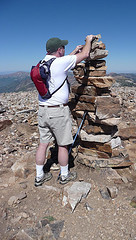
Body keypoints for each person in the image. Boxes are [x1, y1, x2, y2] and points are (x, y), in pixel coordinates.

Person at [35, 35, 95, 187]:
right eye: (63, 48)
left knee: (43, 144)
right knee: (63, 144)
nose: (64, 50)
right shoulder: (61, 62)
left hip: (43, 111)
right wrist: (88, 40)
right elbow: (86, 54)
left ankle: (39, 176)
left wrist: (74, 51)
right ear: (59, 49)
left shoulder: (42, 63)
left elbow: (62, 63)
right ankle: (64, 176)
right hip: (58, 112)